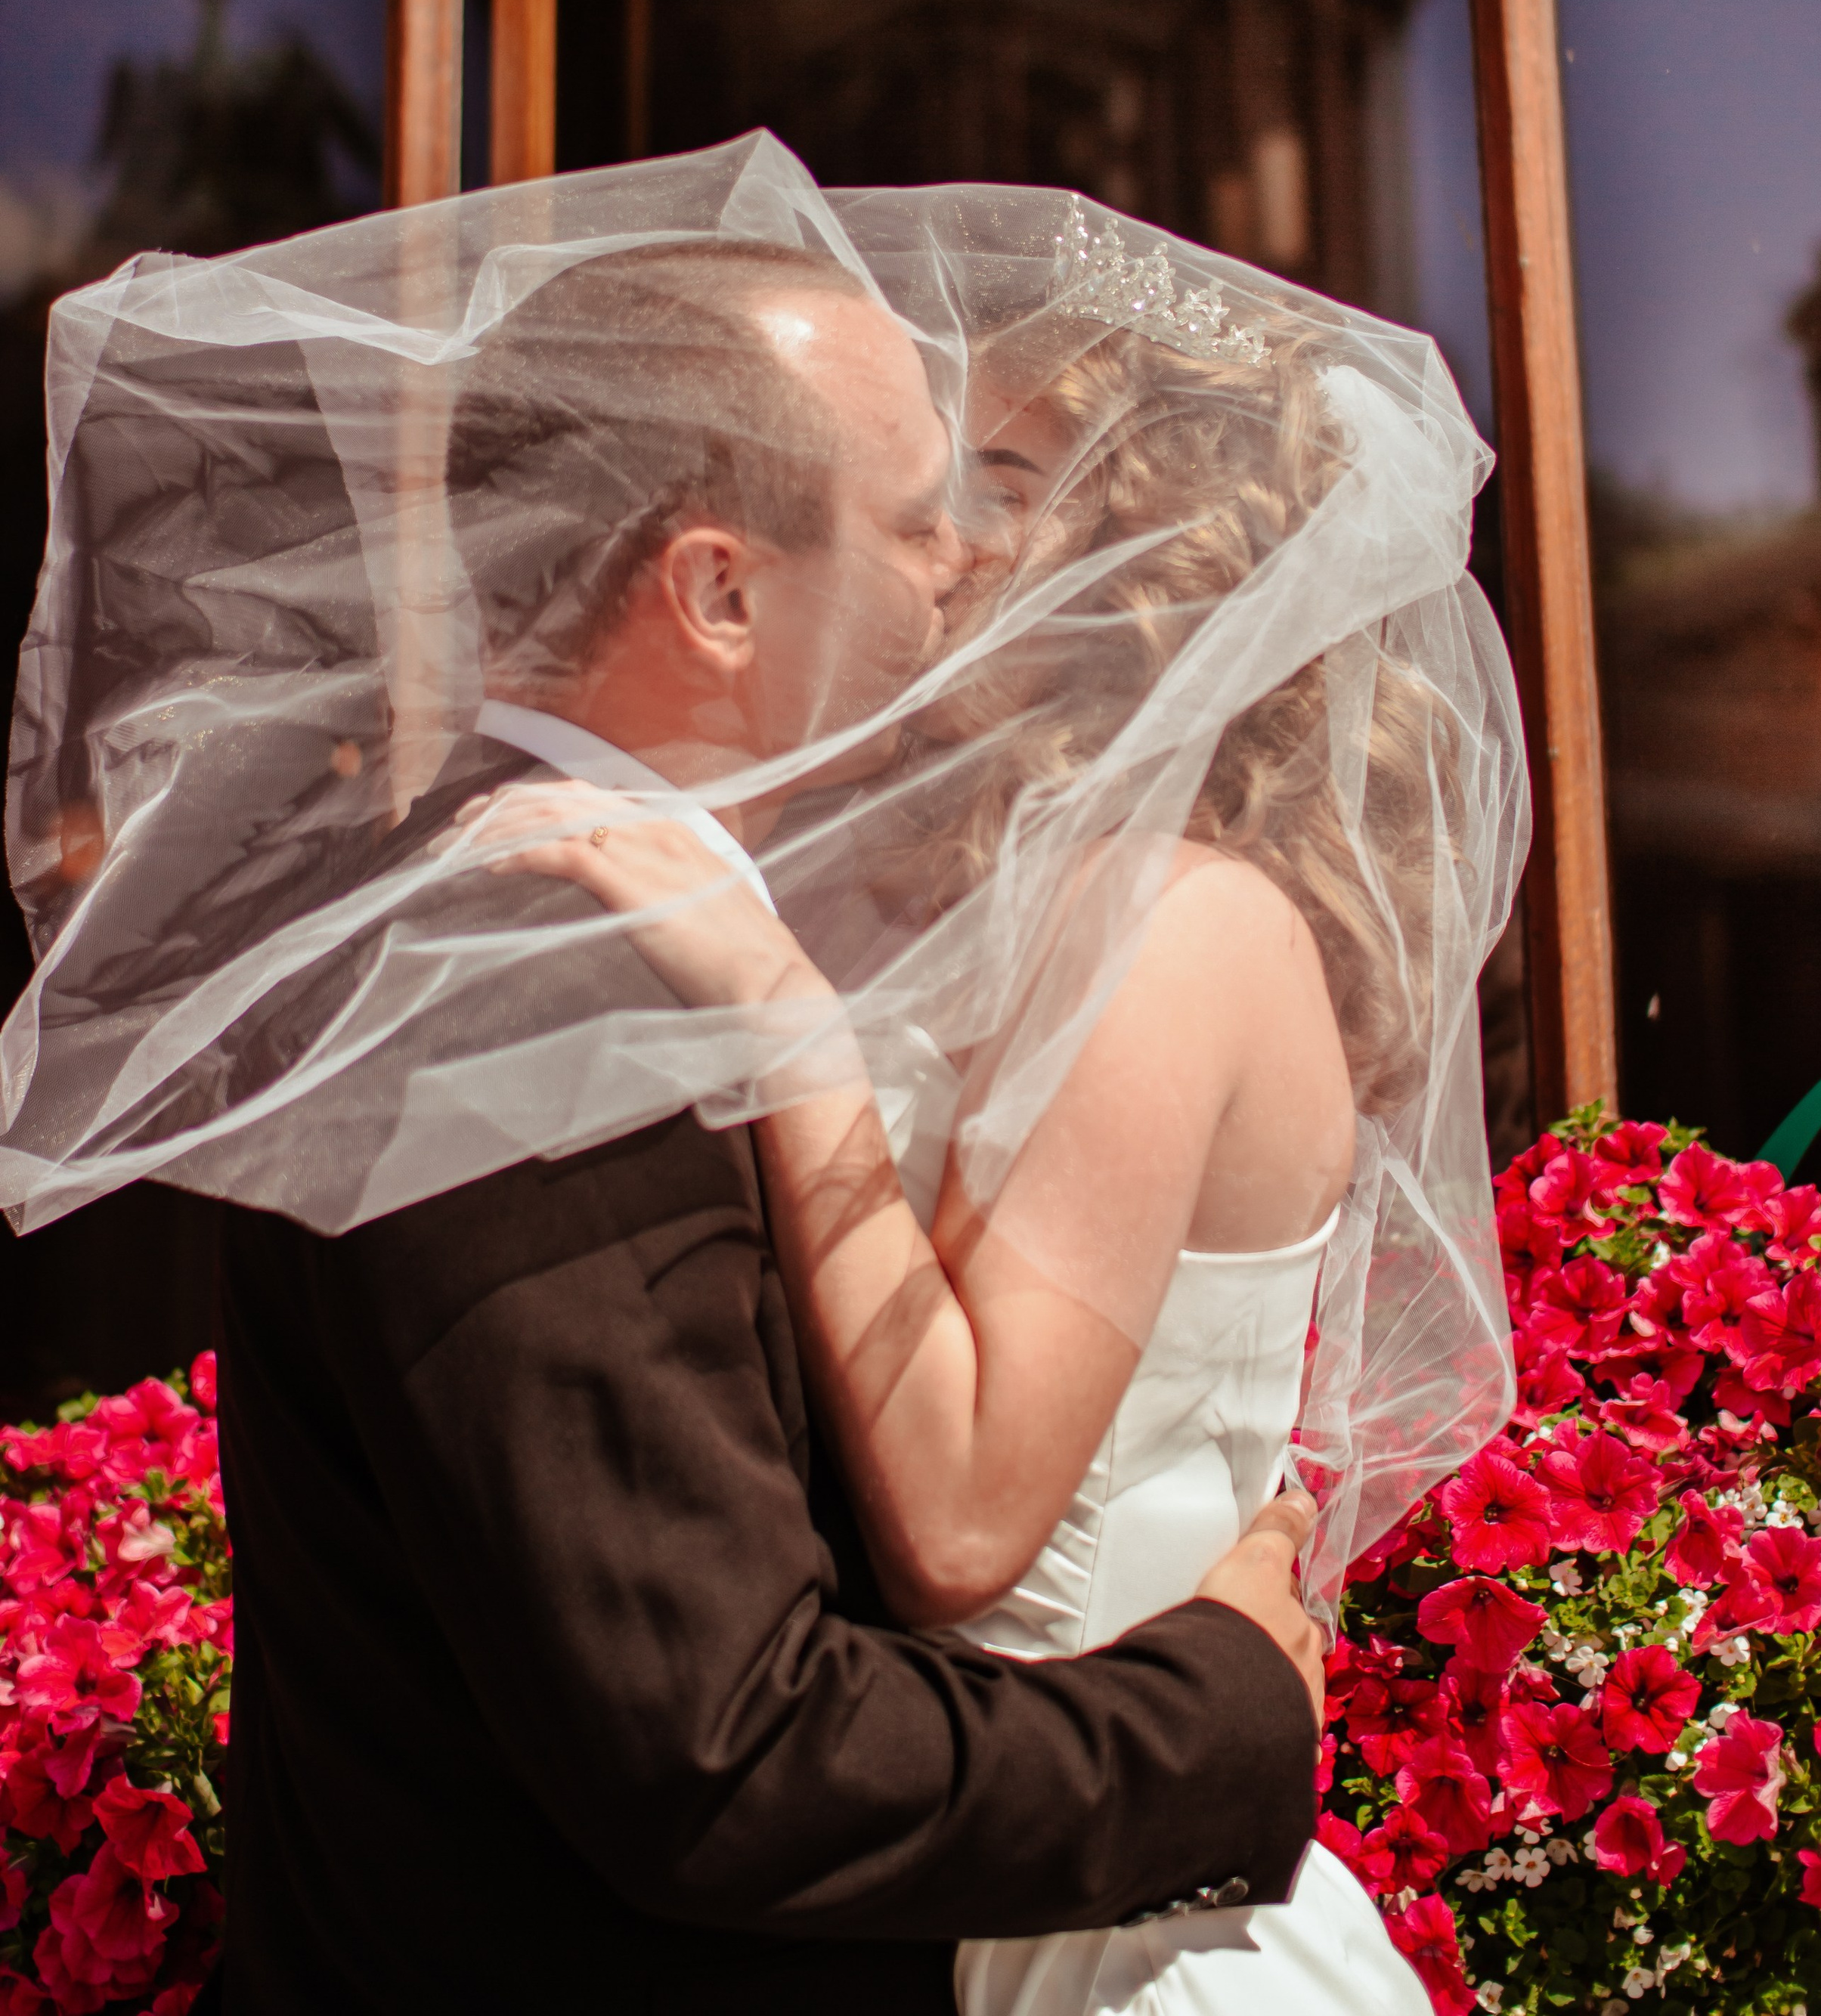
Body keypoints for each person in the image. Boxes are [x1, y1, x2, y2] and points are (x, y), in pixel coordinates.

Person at [2, 184, 1325, 2016]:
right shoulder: (530, 991)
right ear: (716, 589)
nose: (963, 570)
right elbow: (726, 1758)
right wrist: (1228, 1717)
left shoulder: (593, 927)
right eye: (917, 518)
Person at [472, 277, 1521, 2016]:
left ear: (1153, 546)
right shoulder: (1000, 904)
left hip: (1110, 1938)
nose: (949, 542)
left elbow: (963, 1519)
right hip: (970, 1879)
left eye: (1007, 480)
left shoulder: (1169, 921)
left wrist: (789, 1024)